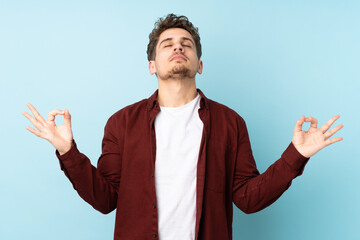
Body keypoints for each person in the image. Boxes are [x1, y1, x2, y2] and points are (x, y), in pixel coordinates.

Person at [22, 13, 343, 240]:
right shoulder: (121, 123)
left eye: (186, 43)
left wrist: (296, 155)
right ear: (152, 65)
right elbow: (106, 200)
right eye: (168, 44)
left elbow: (247, 199)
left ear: (199, 64)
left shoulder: (230, 123)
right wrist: (67, 151)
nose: (178, 47)